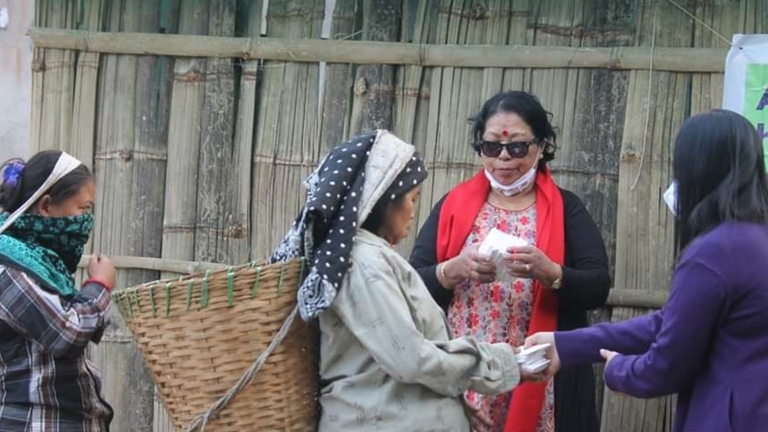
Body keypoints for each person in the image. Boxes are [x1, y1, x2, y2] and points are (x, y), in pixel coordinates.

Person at [269, 130, 538, 432]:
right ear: (382, 201)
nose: (413, 213)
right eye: (412, 199)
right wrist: (500, 364)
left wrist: (452, 397)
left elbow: (386, 362)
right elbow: (411, 358)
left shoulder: (372, 257)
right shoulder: (363, 264)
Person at [527, 109, 768, 432]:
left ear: (697, 168)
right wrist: (567, 344)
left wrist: (619, 369)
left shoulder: (715, 251)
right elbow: (670, 322)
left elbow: (668, 365)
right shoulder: (755, 237)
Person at [410, 91, 611, 432]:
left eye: (518, 147)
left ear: (541, 146)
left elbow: (598, 287)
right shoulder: (453, 206)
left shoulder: (567, 209)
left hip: (540, 372)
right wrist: (452, 270)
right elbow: (412, 283)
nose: (504, 158)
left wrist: (552, 274)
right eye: (492, 147)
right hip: (468, 369)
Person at [0, 150, 116, 431]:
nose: (86, 221)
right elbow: (67, 332)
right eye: (83, 209)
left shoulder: (38, 263)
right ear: (46, 206)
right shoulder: (9, 268)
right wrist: (99, 286)